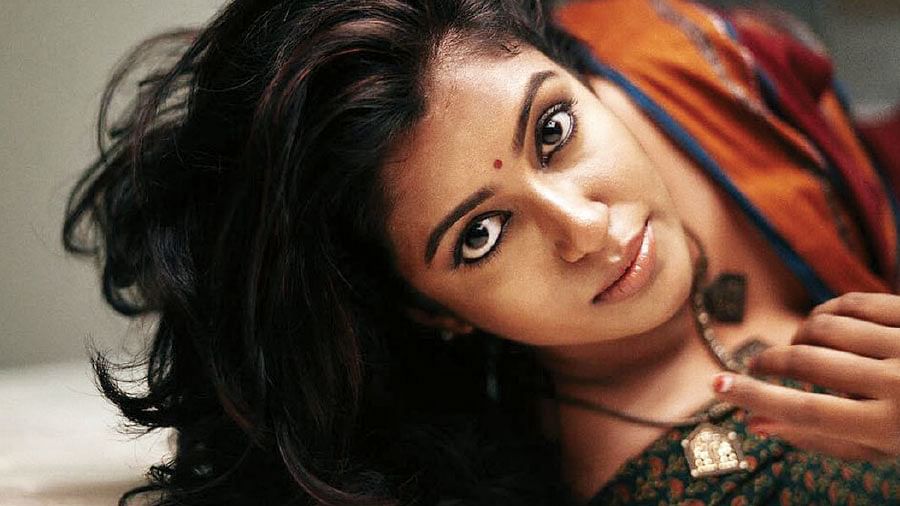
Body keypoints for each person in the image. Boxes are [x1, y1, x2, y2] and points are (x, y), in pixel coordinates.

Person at [62, 0, 900, 504]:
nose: (585, 228)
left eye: (553, 131)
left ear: (577, 72)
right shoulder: (693, 485)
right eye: (481, 235)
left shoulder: (667, 65)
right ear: (430, 310)